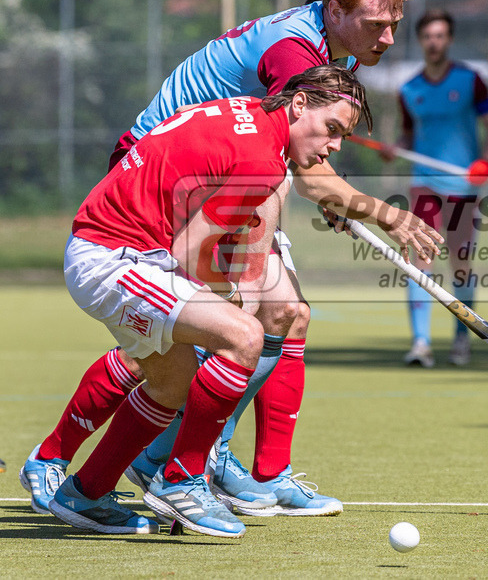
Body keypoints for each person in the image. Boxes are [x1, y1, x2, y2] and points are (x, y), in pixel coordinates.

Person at [20, 0, 442, 519]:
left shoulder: (333, 49)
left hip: (224, 176)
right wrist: (382, 212)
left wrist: (331, 186)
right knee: (197, 333)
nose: (390, 37)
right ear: (337, 10)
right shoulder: (295, 54)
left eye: (395, 21)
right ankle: (134, 459)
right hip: (170, 181)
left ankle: (247, 468)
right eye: (377, 23)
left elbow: (297, 156)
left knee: (278, 313)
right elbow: (287, 162)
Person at [47, 64, 370, 538]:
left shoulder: (246, 114)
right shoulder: (262, 157)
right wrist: (233, 297)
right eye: (332, 129)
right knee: (243, 335)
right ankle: (181, 480)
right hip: (116, 258)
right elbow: (189, 252)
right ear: (299, 105)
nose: (335, 146)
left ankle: (85, 493)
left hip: (119, 249)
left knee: (171, 379)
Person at [384, 10, 488, 367]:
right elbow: (408, 135)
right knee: (420, 261)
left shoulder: (471, 80)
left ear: (448, 40)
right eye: (428, 36)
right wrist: (395, 148)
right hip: (424, 185)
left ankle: (461, 340)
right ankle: (421, 343)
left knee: (460, 262)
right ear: (420, 41)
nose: (433, 42)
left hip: (462, 186)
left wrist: (486, 161)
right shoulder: (410, 89)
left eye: (440, 36)